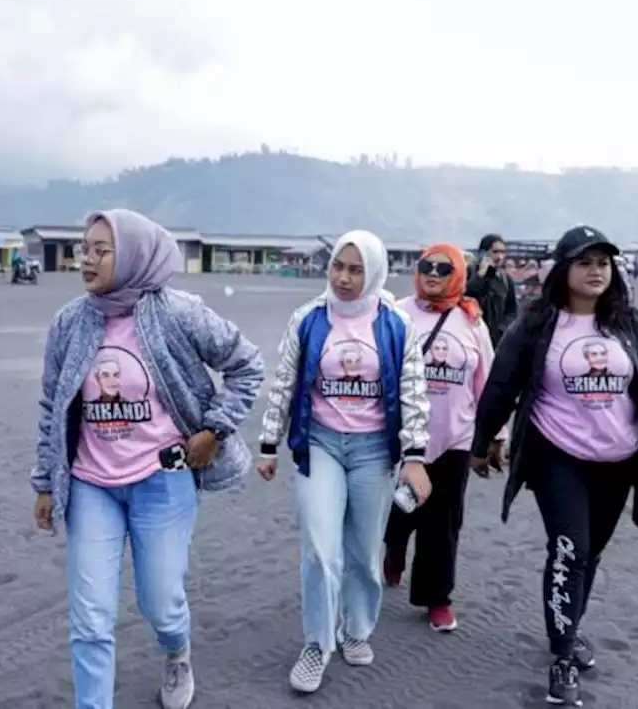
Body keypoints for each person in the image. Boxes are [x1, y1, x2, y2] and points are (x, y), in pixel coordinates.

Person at [30, 209, 266, 709]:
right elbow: (52, 405)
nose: (87, 259)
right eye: (83, 249)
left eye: (101, 249)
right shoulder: (70, 323)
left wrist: (215, 429)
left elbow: (247, 365)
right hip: (90, 484)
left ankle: (176, 650)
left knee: (160, 602)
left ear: (133, 254)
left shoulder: (178, 312)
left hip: (165, 475)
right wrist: (45, 482)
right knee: (91, 616)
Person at [470, 225, 638, 707]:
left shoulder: (632, 323)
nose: (595, 271)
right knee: (570, 549)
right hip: (557, 456)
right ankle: (564, 653)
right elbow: (502, 384)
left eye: (603, 263)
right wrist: (482, 442)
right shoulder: (538, 322)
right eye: (585, 262)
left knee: (591, 555)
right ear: (564, 269)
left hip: (620, 459)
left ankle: (567, 627)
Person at [256, 230, 432, 694]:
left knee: (362, 553)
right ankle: (317, 642)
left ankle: (356, 628)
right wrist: (269, 443)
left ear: (372, 272)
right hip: (321, 446)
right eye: (338, 266)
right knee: (319, 548)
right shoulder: (309, 319)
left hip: (374, 450)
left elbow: (414, 393)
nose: (344, 278)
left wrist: (414, 456)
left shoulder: (395, 324)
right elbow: (285, 384)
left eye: (356, 269)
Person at [383, 243, 501, 631]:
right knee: (400, 511)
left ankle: (437, 598)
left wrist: (494, 435)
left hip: (456, 437)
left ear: (458, 275)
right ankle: (394, 554)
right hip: (403, 437)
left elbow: (487, 381)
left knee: (444, 521)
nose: (433, 274)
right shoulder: (396, 314)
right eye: (426, 267)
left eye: (443, 268)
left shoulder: (472, 322)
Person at [466, 233, 518, 348]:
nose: (500, 257)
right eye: (495, 252)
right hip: (470, 336)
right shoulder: (470, 272)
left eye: (502, 252)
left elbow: (512, 310)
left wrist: (502, 330)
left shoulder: (505, 279)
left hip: (495, 341)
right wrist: (480, 275)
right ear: (483, 253)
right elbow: (466, 295)